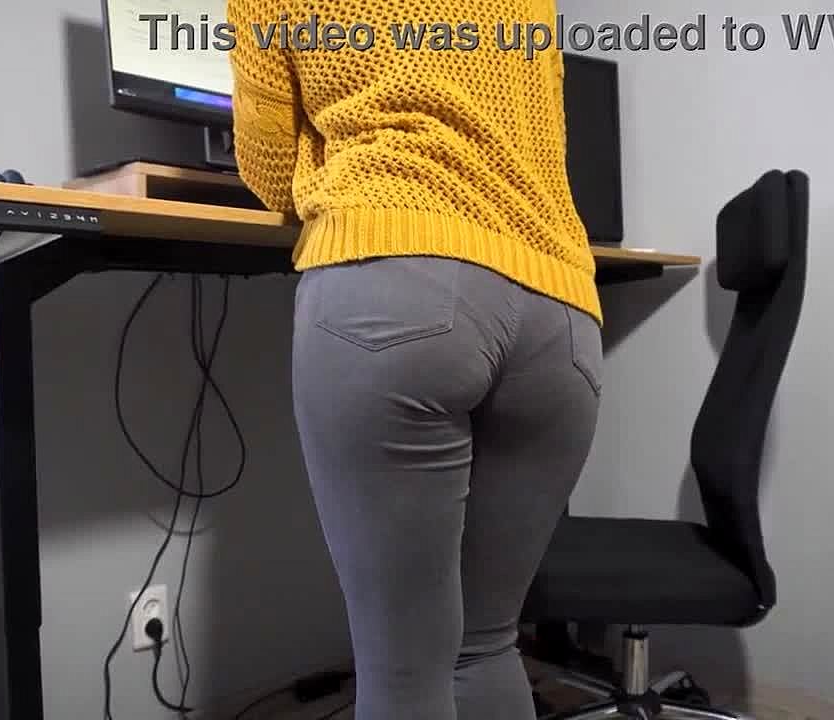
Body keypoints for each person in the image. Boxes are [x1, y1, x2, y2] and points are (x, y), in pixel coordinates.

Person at [226, 1, 603, 717]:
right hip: (561, 312)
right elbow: (544, 143)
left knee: (403, 670)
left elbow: (269, 167)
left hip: (396, 265)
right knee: (487, 644)